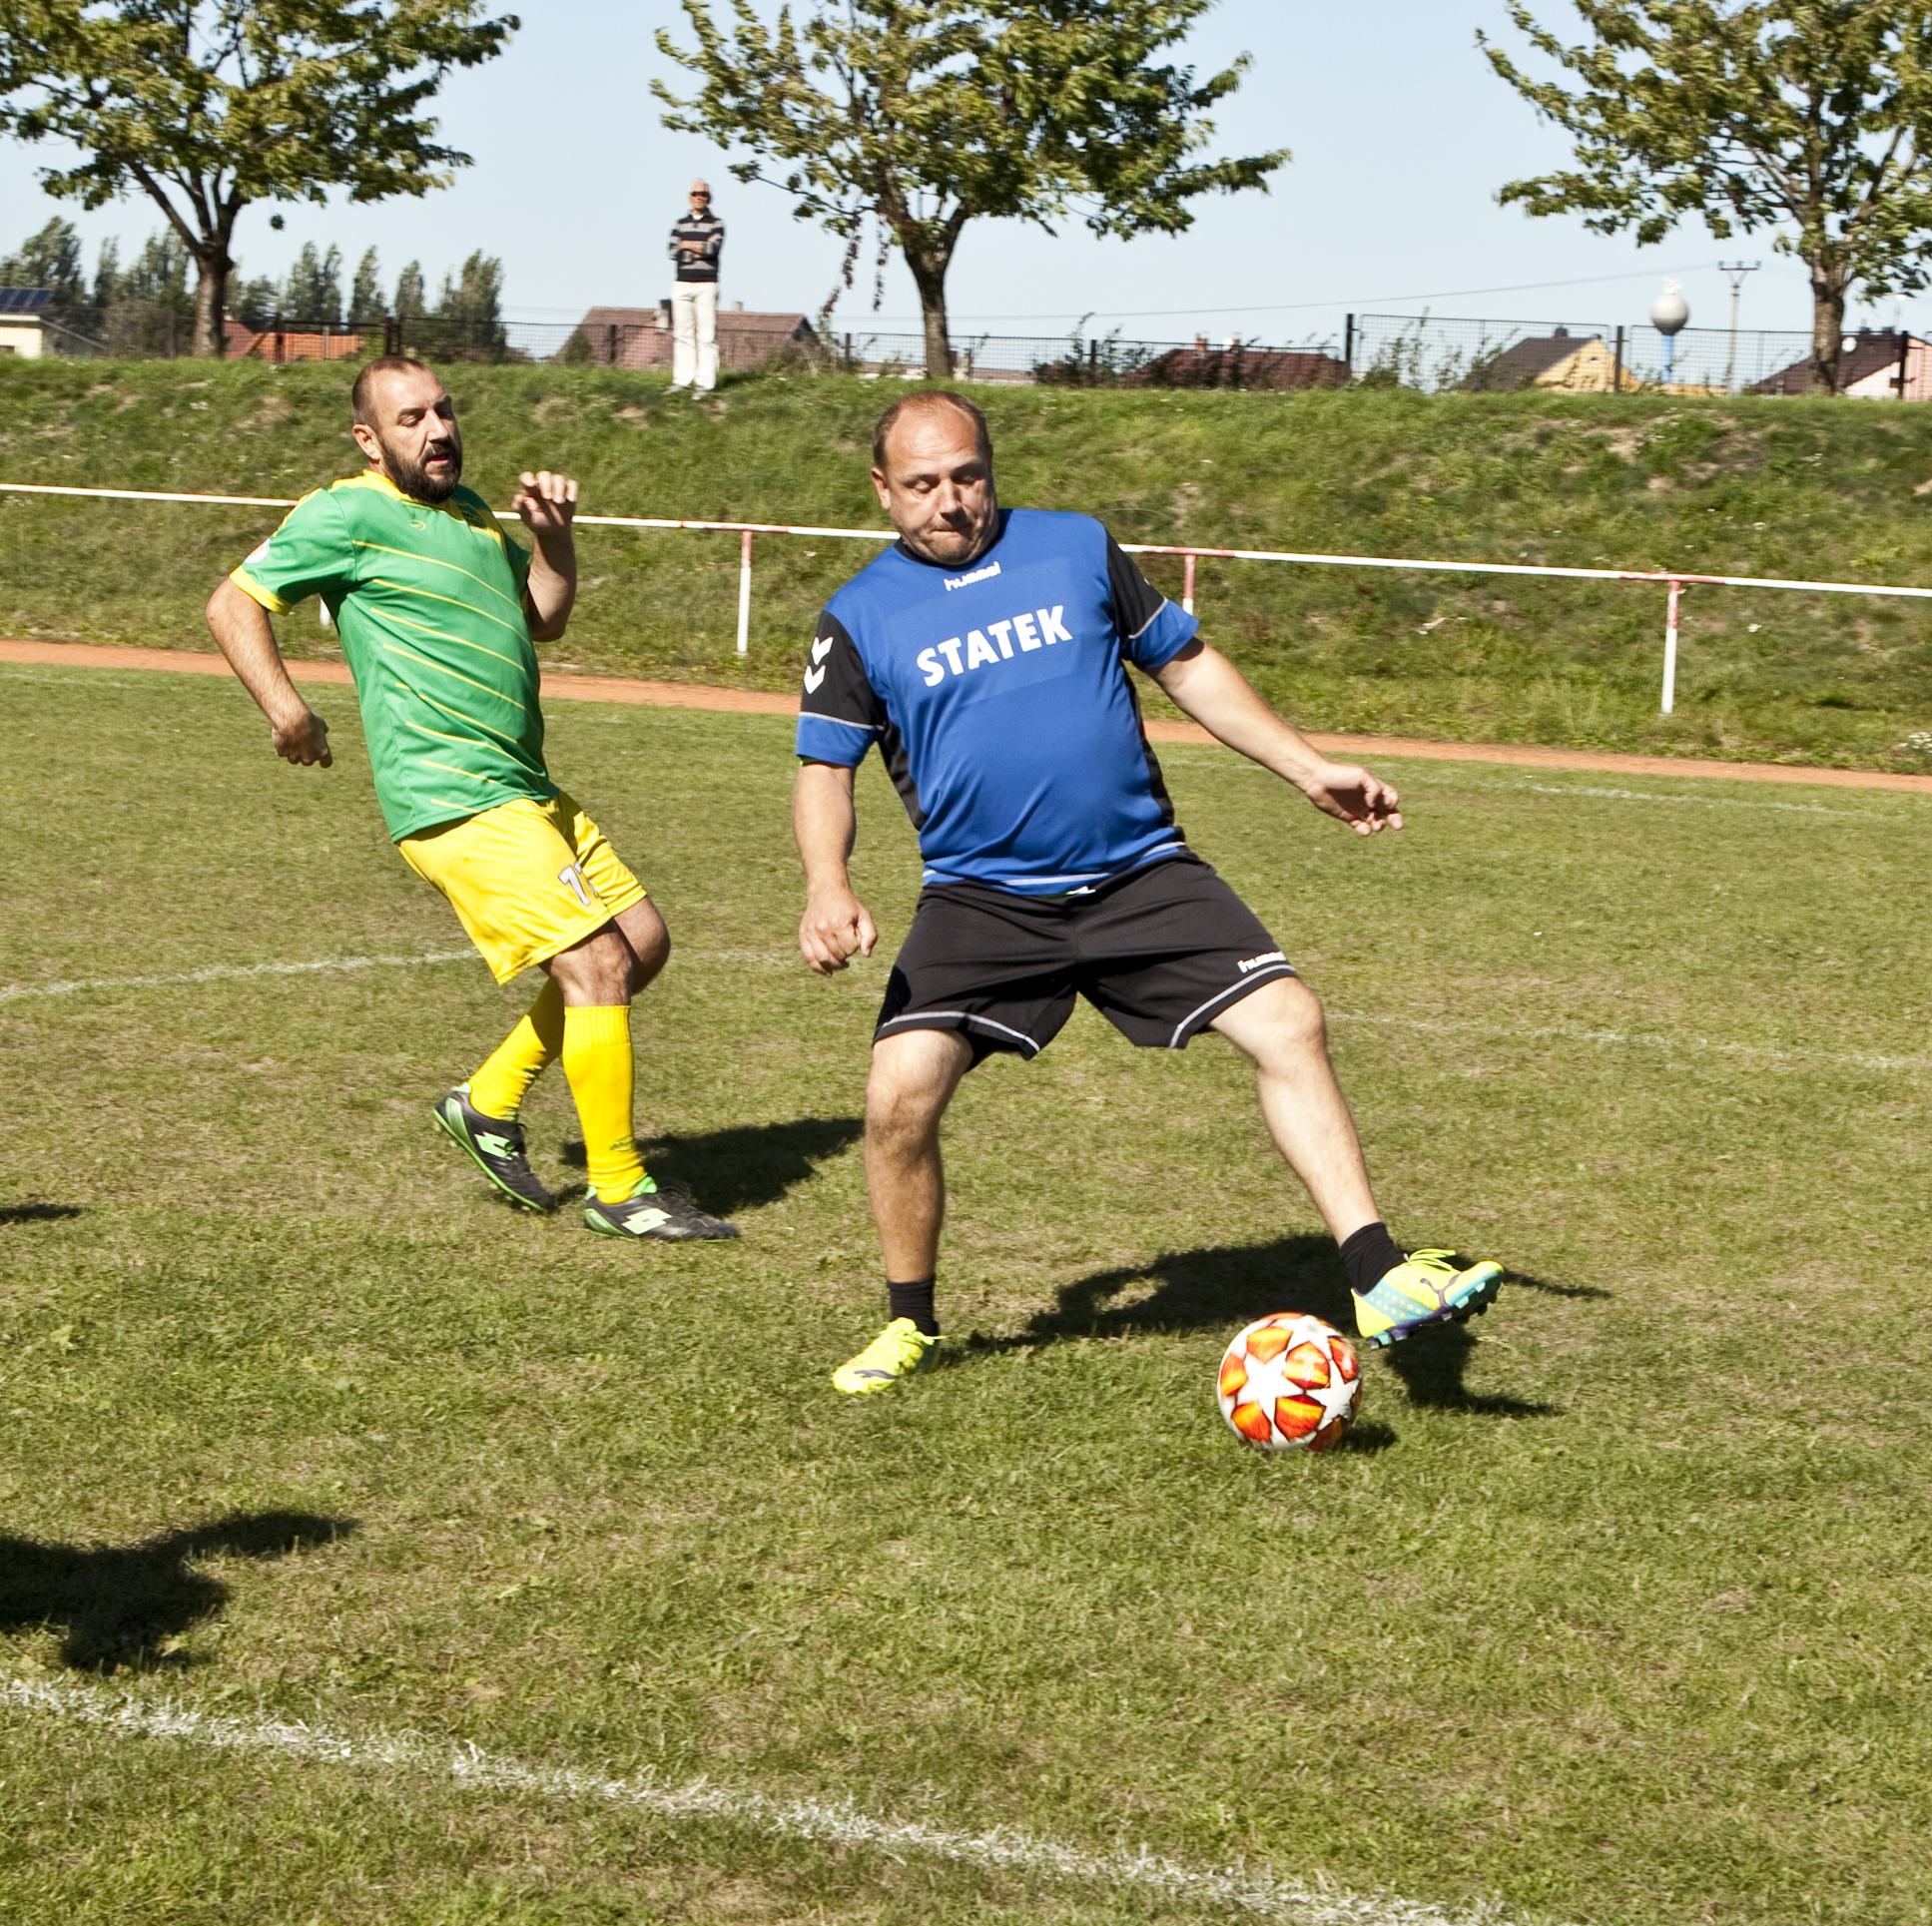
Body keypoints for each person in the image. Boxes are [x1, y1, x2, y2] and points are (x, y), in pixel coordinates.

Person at [793, 389, 1502, 1394]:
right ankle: (910, 1321)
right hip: (982, 898)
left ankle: (1377, 1274)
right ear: (881, 490)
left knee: (1290, 1020)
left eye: (967, 475)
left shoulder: (1076, 547)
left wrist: (1310, 770)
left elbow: (1188, 664)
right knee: (896, 1098)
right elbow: (825, 766)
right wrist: (829, 883)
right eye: (921, 484)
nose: (950, 502)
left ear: (991, 466)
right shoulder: (859, 617)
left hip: (1140, 873)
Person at [203, 355, 735, 1242]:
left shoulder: (473, 513)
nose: (438, 429)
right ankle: (619, 1188)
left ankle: (487, 1105)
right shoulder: (346, 512)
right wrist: (287, 710)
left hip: (522, 784)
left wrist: (554, 534)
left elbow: (544, 615)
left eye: (443, 411)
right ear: (369, 440)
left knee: (641, 942)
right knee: (596, 962)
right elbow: (232, 604)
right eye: (410, 419)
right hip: (450, 793)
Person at [667, 178, 724, 395]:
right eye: (696, 193)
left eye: (704, 194)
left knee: (706, 335)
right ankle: (682, 379)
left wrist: (687, 245)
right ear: (689, 196)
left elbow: (712, 248)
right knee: (682, 333)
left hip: (706, 284)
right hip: (682, 283)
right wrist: (696, 247)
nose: (699, 197)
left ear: (709, 198)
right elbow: (671, 252)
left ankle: (705, 383)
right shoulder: (679, 223)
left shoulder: (717, 223)